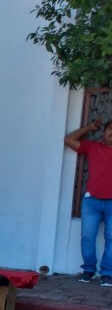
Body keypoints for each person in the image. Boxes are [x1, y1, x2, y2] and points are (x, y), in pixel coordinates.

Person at [64, 119, 112, 287]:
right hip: (91, 201)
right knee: (87, 237)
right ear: (103, 132)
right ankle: (89, 270)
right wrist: (89, 127)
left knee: (111, 238)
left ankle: (107, 273)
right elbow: (69, 140)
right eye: (110, 128)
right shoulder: (93, 147)